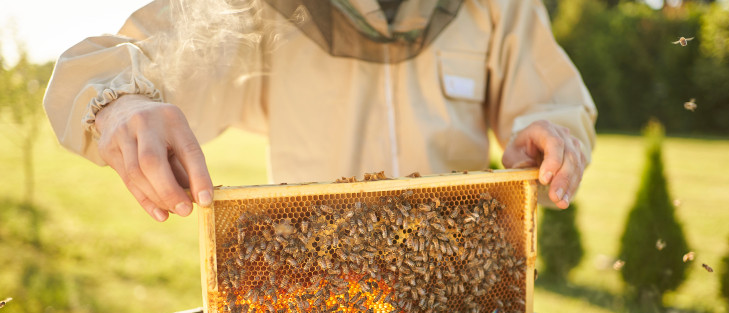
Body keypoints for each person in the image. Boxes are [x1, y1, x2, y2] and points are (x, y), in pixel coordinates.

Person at [44, 0, 596, 222]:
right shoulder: (261, 6)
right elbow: (124, 61)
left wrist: (548, 135)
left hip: (463, 282)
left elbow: (553, 99)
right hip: (319, 290)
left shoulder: (499, 3)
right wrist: (121, 102)